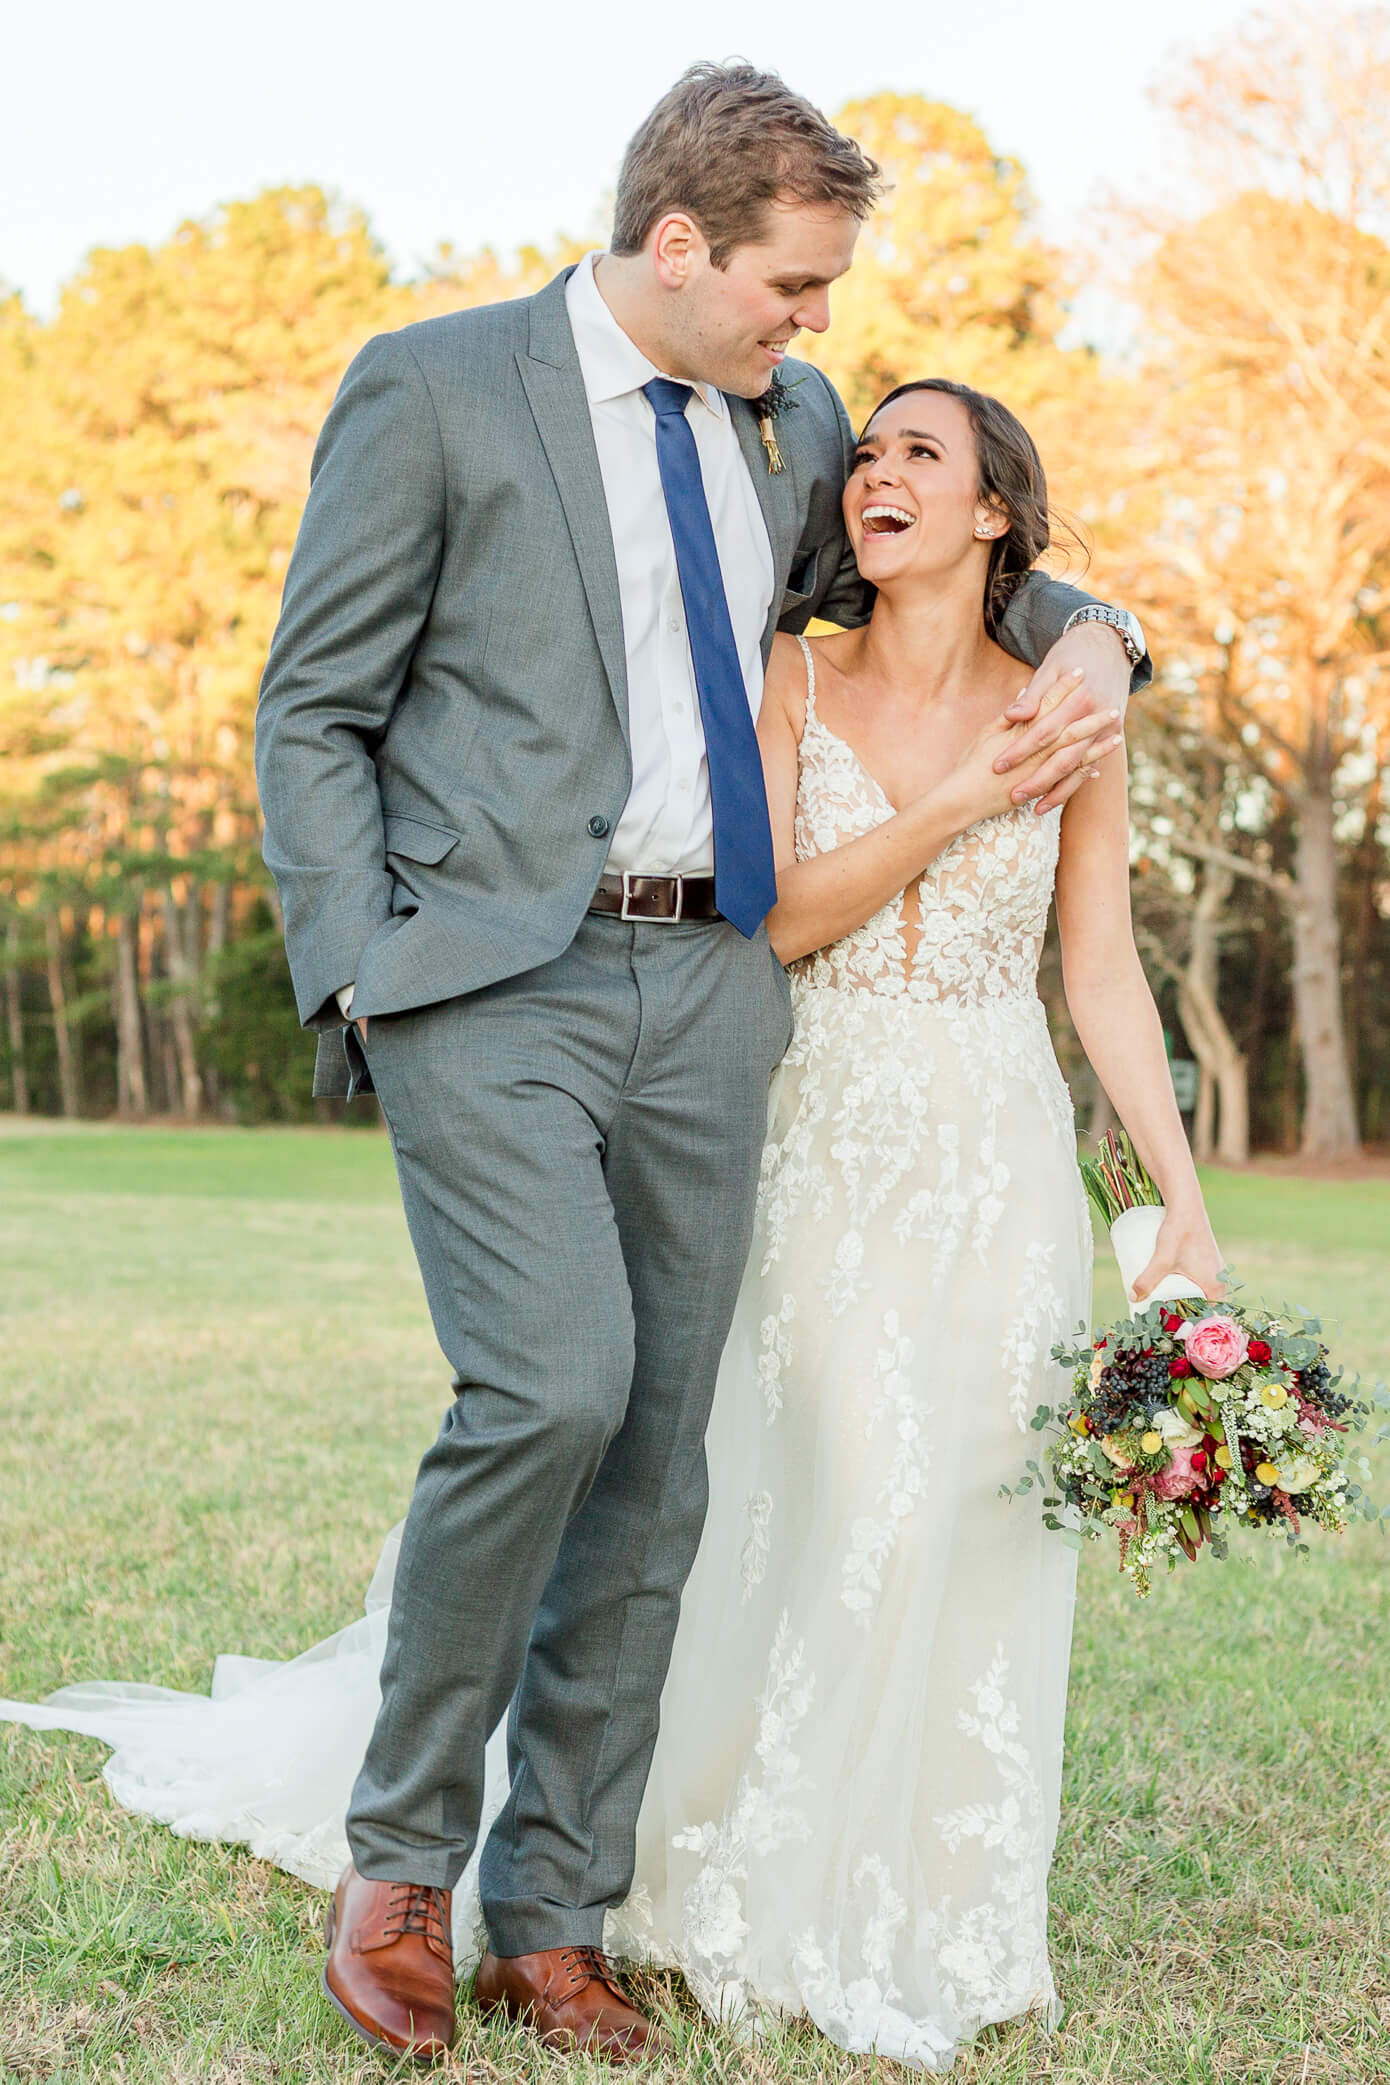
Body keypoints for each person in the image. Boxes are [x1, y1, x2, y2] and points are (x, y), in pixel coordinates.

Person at [0, 67, 1149, 2067]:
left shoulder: (792, 422)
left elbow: (974, 567)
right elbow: (312, 707)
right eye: (791, 284)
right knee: (550, 1383)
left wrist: (1101, 635)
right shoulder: (432, 386)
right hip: (494, 979)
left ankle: (554, 1905)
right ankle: (398, 1857)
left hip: (716, 985)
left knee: (659, 1454)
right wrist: (363, 968)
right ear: (679, 239)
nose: (817, 329)